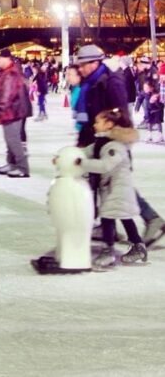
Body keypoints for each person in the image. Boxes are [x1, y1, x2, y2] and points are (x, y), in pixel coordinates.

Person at [75, 44, 165, 247]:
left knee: (117, 185)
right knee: (107, 184)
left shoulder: (109, 81)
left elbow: (121, 114)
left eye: (83, 64)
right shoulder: (93, 80)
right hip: (98, 137)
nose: (80, 68)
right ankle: (109, 226)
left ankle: (152, 219)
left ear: (95, 63)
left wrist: (113, 138)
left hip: (112, 140)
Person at [82, 108, 147, 268]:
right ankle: (138, 246)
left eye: (98, 122)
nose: (94, 125)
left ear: (109, 124)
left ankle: (108, 251)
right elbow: (87, 151)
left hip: (118, 188)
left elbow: (105, 165)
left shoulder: (115, 146)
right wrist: (69, 156)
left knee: (108, 217)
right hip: (111, 188)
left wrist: (81, 164)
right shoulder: (101, 142)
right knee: (124, 217)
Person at [0, 49, 32, 178]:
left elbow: (7, 95)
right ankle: (11, 164)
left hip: (13, 110)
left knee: (13, 140)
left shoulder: (10, 74)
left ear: (6, 58)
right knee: (10, 139)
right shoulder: (6, 72)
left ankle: (22, 167)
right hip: (12, 110)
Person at [142, 78, 163, 143]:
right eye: (144, 88)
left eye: (147, 88)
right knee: (149, 123)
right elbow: (140, 98)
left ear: (151, 88)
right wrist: (137, 107)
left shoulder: (156, 94)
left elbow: (161, 104)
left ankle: (160, 135)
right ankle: (149, 135)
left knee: (158, 122)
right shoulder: (144, 93)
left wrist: (155, 101)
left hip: (157, 111)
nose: (145, 89)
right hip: (149, 111)